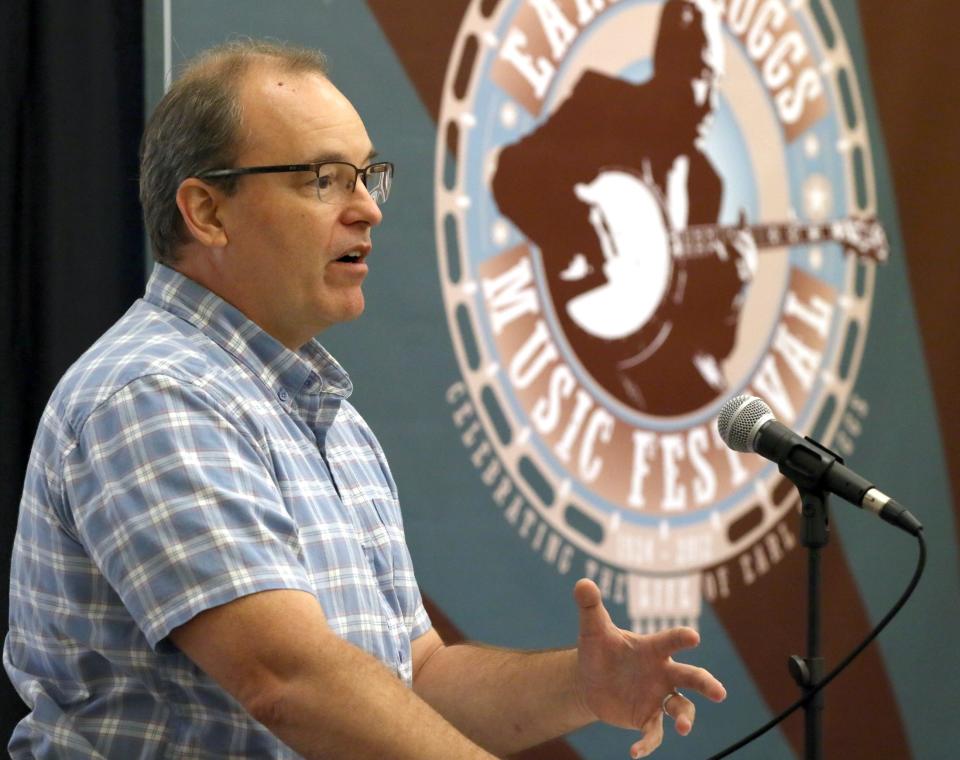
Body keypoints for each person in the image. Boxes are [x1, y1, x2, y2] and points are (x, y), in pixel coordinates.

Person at [4, 40, 725, 759]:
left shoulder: (330, 421)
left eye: (368, 176)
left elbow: (418, 681)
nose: (367, 211)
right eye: (324, 179)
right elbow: (287, 681)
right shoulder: (154, 394)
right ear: (206, 211)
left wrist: (580, 687)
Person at [493, 0, 757, 416]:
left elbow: (710, 345)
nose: (712, 103)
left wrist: (734, 292)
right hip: (582, 336)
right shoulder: (602, 104)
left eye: (718, 81)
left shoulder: (708, 183)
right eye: (703, 75)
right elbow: (511, 175)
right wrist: (586, 230)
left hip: (649, 363)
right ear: (668, 64)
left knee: (709, 391)